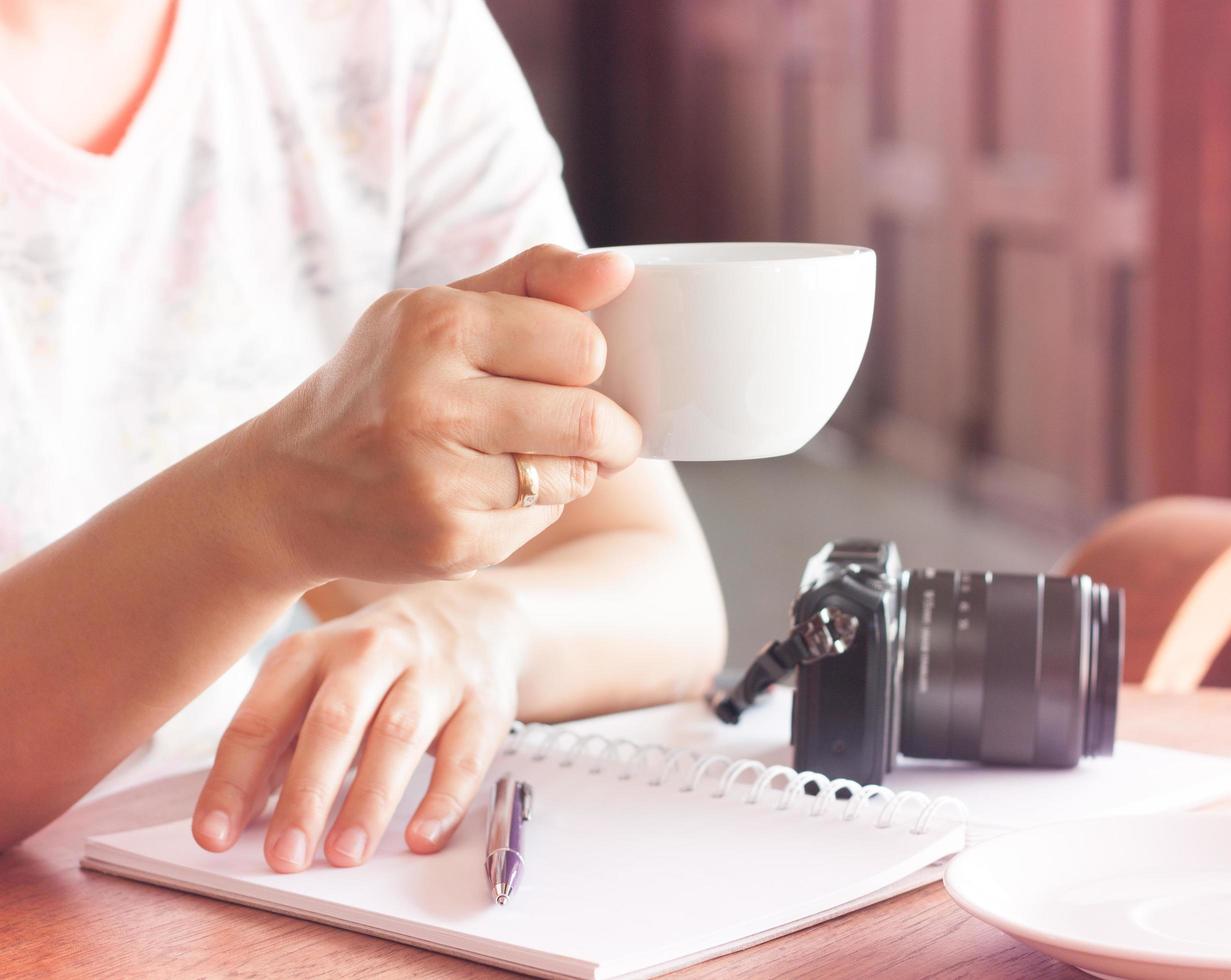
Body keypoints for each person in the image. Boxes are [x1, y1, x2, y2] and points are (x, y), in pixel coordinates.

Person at [0, 0, 727, 873]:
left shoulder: (386, 32)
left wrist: (477, 626)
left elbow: (658, 577)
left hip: (244, 860)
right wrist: (267, 509)